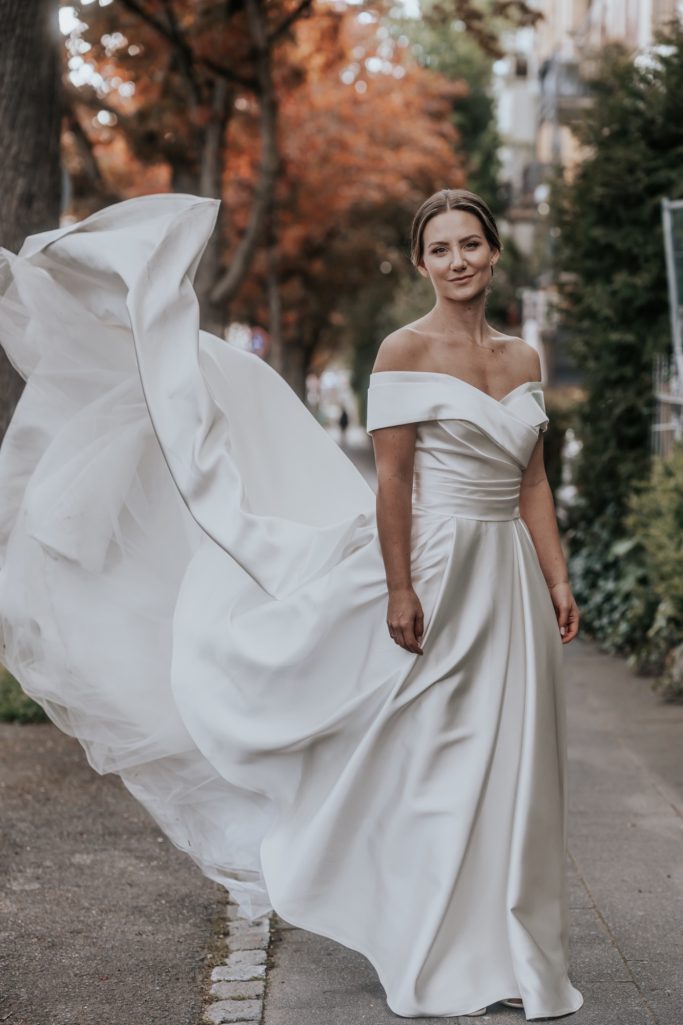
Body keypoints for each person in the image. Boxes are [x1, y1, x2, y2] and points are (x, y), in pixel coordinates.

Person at [0, 188, 583, 1020]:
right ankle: (431, 944)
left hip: (511, 581)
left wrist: (556, 578)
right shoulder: (401, 352)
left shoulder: (523, 360)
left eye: (471, 244)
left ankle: (511, 945)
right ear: (421, 263)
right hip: (439, 566)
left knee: (513, 759)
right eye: (441, 248)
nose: (458, 260)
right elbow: (393, 483)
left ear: (493, 253)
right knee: (439, 754)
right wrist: (400, 586)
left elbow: (531, 482)